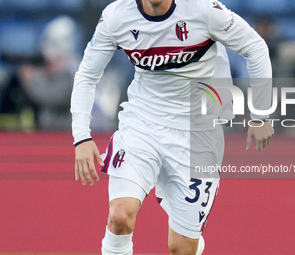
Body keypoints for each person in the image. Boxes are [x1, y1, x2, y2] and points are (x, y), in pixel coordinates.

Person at [71, 0, 274, 254]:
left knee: (181, 248)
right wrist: (81, 136)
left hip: (198, 133)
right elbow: (88, 74)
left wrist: (261, 114)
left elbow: (255, 47)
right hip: (142, 123)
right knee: (120, 217)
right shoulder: (115, 16)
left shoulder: (205, 11)